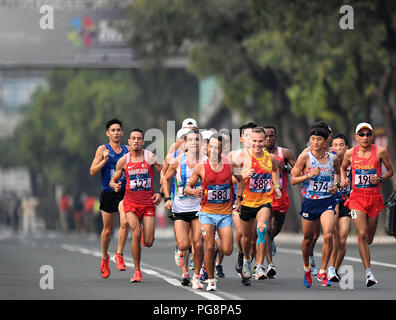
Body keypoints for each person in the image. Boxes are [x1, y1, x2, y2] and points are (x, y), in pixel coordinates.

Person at [340, 122, 393, 287]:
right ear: (356, 137)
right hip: (356, 199)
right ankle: (369, 273)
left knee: (369, 238)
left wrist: (381, 178)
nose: (364, 137)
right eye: (361, 134)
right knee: (361, 233)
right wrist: (343, 179)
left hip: (374, 199)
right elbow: (343, 168)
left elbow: (390, 171)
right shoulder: (350, 153)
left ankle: (365, 245)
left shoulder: (380, 152)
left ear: (372, 136)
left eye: (367, 134)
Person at [186, 133, 240, 291]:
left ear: (223, 149)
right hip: (207, 213)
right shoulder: (201, 167)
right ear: (207, 149)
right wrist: (192, 191)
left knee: (227, 249)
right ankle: (210, 280)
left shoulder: (230, 165)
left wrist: (239, 198)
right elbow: (188, 186)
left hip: (224, 214)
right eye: (212, 147)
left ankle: (205, 271)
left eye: (218, 147)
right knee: (208, 247)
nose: (215, 150)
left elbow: (241, 180)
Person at [110, 128, 163, 283]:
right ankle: (137, 271)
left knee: (148, 241)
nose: (136, 141)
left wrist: (160, 193)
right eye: (133, 138)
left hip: (147, 204)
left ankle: (140, 241)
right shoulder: (124, 160)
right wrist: (114, 186)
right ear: (129, 141)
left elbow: (165, 175)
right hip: (130, 203)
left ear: (143, 142)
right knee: (136, 233)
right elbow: (113, 179)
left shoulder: (151, 157)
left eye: (139, 138)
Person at [291, 126, 340, 288]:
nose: (315, 142)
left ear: (326, 141)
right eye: (312, 139)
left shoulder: (334, 158)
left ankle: (323, 271)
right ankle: (307, 268)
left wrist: (336, 185)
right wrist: (308, 175)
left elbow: (338, 173)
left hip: (327, 201)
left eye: (319, 139)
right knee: (308, 238)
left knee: (328, 235)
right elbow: (293, 180)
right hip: (310, 202)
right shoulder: (305, 158)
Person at [233, 127, 282, 285]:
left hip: (264, 200)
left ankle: (259, 266)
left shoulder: (271, 158)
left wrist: (276, 187)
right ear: (249, 141)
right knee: (246, 238)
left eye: (260, 141)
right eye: (254, 141)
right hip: (247, 202)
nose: (258, 144)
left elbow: (275, 171)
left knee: (262, 228)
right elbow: (230, 179)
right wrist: (243, 176)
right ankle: (247, 259)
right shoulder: (241, 158)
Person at [161, 129, 204, 289]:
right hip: (180, 208)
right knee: (184, 244)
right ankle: (181, 256)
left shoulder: (206, 161)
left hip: (199, 208)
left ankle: (197, 276)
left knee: (198, 244)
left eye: (197, 140)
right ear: (185, 143)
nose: (194, 143)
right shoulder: (178, 160)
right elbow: (165, 178)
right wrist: (167, 198)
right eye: (191, 140)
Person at [89, 119, 130, 278]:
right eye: (113, 130)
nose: (116, 133)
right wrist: (104, 160)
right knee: (107, 230)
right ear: (108, 133)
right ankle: (105, 257)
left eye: (118, 130)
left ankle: (118, 254)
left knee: (125, 222)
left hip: (124, 192)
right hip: (108, 192)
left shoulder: (127, 151)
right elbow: (92, 171)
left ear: (122, 133)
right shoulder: (102, 149)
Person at [263, 125, 296, 275]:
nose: (268, 139)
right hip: (264, 197)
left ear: (276, 136)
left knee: (275, 229)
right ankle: (270, 264)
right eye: (266, 136)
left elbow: (296, 172)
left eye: (271, 136)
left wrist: (285, 168)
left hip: (281, 197)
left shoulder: (286, 153)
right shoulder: (257, 154)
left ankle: (270, 241)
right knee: (267, 230)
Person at [229, 122, 257, 277]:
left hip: (258, 200)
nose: (250, 139)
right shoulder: (233, 156)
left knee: (254, 237)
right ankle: (241, 254)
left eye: (253, 135)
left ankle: (248, 261)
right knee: (241, 231)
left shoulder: (264, 156)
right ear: (241, 138)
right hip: (238, 199)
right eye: (247, 135)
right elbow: (225, 179)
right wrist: (242, 177)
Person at [327, 133, 352, 282]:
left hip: (347, 202)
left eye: (341, 145)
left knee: (342, 239)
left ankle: (334, 268)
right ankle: (330, 268)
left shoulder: (353, 162)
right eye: (335, 145)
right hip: (332, 201)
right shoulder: (328, 161)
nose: (338, 148)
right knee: (333, 236)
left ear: (347, 147)